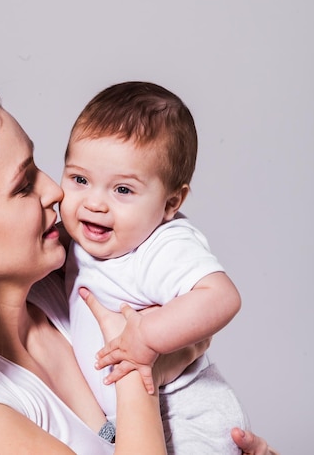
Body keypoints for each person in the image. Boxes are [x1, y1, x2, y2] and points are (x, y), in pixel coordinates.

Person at [0, 77, 278, 455]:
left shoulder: (70, 287)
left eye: (40, 167)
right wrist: (141, 369)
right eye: (24, 185)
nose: (55, 192)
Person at [60, 81, 249, 454]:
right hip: (127, 424)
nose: (94, 203)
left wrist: (146, 338)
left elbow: (222, 297)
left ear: (170, 203)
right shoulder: (78, 241)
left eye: (123, 190)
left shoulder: (161, 245)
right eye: (80, 180)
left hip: (185, 416)